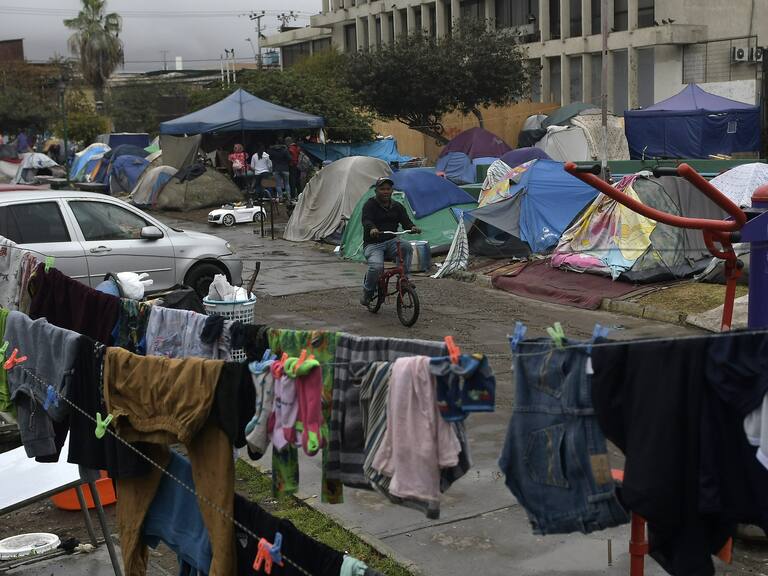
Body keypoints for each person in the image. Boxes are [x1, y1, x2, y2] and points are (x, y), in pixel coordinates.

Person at [360, 177, 421, 306]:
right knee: (376, 267)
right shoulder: (369, 205)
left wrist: (412, 227)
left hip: (392, 241)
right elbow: (366, 220)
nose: (385, 192)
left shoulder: (397, 206)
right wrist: (373, 228)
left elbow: (406, 222)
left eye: (388, 189)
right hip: (373, 244)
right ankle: (368, 292)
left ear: (392, 190)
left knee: (406, 247)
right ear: (376, 191)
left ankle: (404, 279)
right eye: (382, 189)